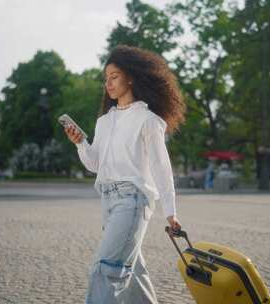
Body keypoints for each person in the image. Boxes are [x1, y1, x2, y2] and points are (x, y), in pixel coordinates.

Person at [64, 45, 186, 303]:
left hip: (132, 202)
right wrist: (80, 143)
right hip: (108, 201)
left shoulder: (147, 119)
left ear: (130, 77)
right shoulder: (104, 121)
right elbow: (95, 164)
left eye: (114, 76)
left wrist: (170, 211)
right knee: (133, 275)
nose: (108, 83)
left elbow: (161, 168)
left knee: (105, 271)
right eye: (105, 78)